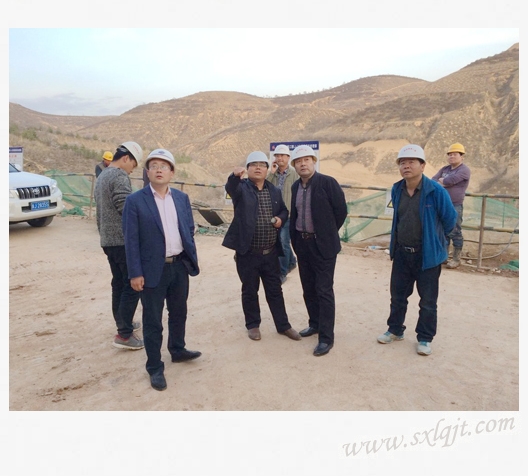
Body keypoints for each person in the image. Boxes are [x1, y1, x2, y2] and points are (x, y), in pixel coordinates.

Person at [123, 148, 201, 391]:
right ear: (147, 172)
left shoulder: (181, 198)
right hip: (151, 271)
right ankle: (155, 366)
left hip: (179, 266)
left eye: (164, 166)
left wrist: (189, 255)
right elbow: (131, 240)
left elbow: (188, 228)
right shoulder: (135, 201)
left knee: (179, 312)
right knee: (152, 320)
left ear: (172, 172)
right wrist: (135, 273)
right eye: (154, 166)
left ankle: (177, 349)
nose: (159, 170)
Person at [377, 144, 457, 356]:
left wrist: (436, 242)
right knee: (398, 297)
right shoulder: (397, 189)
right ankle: (395, 330)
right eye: (402, 163)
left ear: (422, 166)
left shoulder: (435, 191)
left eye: (411, 162)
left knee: (428, 302)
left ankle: (424, 338)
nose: (406, 166)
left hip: (427, 256)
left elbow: (450, 220)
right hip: (402, 253)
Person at [222, 151, 302, 342]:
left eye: (262, 165)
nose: (258, 167)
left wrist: (280, 219)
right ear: (248, 169)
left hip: (270, 252)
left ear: (267, 169)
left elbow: (284, 210)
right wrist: (233, 176)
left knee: (275, 290)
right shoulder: (241, 189)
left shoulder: (274, 190)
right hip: (248, 253)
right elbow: (230, 187)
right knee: (250, 290)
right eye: (253, 164)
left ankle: (283, 326)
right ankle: (253, 325)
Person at [289, 145, 348, 356]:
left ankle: (326, 337)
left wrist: (326, 233)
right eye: (298, 161)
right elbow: (295, 214)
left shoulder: (328, 183)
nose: (302, 164)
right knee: (308, 287)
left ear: (314, 161)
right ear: (294, 165)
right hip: (302, 244)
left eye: (306, 160)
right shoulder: (295, 187)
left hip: (323, 245)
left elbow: (341, 211)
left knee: (324, 290)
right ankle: (314, 323)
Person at [94, 141, 144, 351]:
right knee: (133, 285)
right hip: (122, 241)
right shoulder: (120, 176)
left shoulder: (103, 175)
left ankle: (124, 321)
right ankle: (124, 334)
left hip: (108, 240)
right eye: (133, 164)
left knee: (119, 284)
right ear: (126, 158)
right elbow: (126, 209)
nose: (132, 169)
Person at [432, 143, 471, 269]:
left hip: (455, 205)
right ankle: (443, 257)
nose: (451, 157)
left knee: (455, 231)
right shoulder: (445, 169)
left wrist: (443, 181)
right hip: (442, 204)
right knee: (443, 231)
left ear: (462, 156)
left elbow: (450, 180)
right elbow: (433, 181)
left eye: (455, 154)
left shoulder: (464, 170)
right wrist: (443, 182)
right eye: (450, 154)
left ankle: (456, 259)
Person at [267, 144, 299, 284]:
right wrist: (271, 172)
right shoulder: (273, 174)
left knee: (283, 241)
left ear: (288, 157)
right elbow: (264, 186)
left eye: (282, 155)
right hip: (275, 214)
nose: (279, 158)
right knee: (281, 240)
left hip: (289, 214)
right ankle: (291, 262)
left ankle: (282, 272)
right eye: (277, 155)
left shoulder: (294, 173)